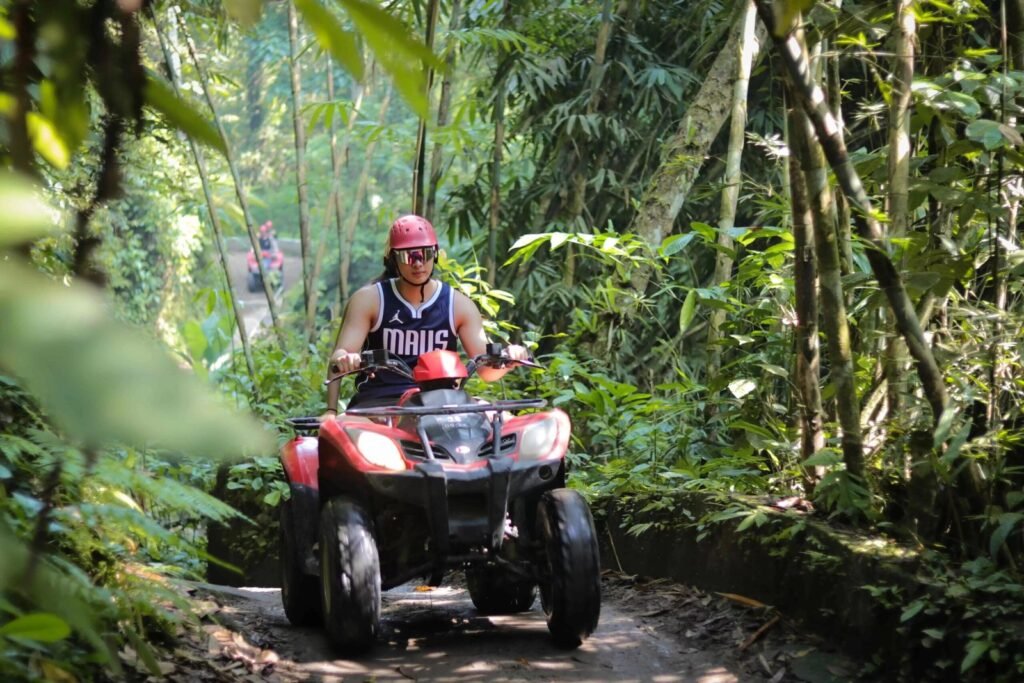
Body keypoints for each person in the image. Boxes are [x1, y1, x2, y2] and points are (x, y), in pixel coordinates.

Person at [321, 214, 528, 421]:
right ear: (394, 259)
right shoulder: (370, 299)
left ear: (435, 254)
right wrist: (342, 370)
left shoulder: (458, 305)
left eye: (425, 254)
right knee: (347, 434)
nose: (418, 263)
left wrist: (509, 360)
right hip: (378, 406)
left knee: (505, 423)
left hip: (443, 405)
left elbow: (485, 370)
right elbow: (338, 358)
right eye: (408, 256)